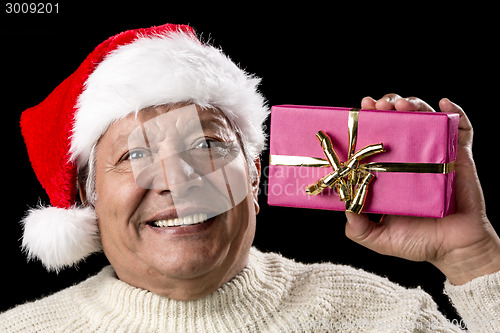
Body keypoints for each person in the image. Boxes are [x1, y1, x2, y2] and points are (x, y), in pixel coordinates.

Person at [1, 23, 499, 332]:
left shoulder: (381, 318)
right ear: (88, 201)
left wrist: (473, 260)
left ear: (256, 179)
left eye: (208, 145)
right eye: (135, 154)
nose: (179, 179)